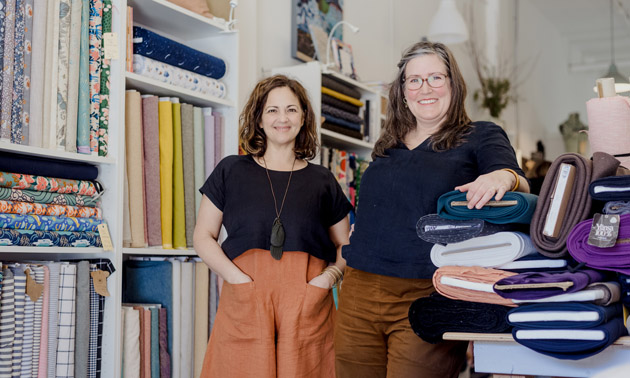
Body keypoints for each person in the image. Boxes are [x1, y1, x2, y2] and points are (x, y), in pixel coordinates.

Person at [334, 41, 530, 378]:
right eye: (414, 80)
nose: (425, 88)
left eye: (435, 78)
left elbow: (520, 183)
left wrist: (501, 176)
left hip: (427, 290)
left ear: (453, 84)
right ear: (403, 92)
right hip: (359, 289)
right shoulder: (387, 145)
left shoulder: (479, 135)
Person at [194, 74, 352, 378]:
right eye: (272, 110)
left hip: (307, 302)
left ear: (304, 117)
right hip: (246, 297)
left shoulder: (323, 181)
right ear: (259, 119)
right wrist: (237, 280)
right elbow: (203, 236)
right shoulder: (231, 170)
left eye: (292, 110)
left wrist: (328, 279)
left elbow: (345, 246)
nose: (283, 118)